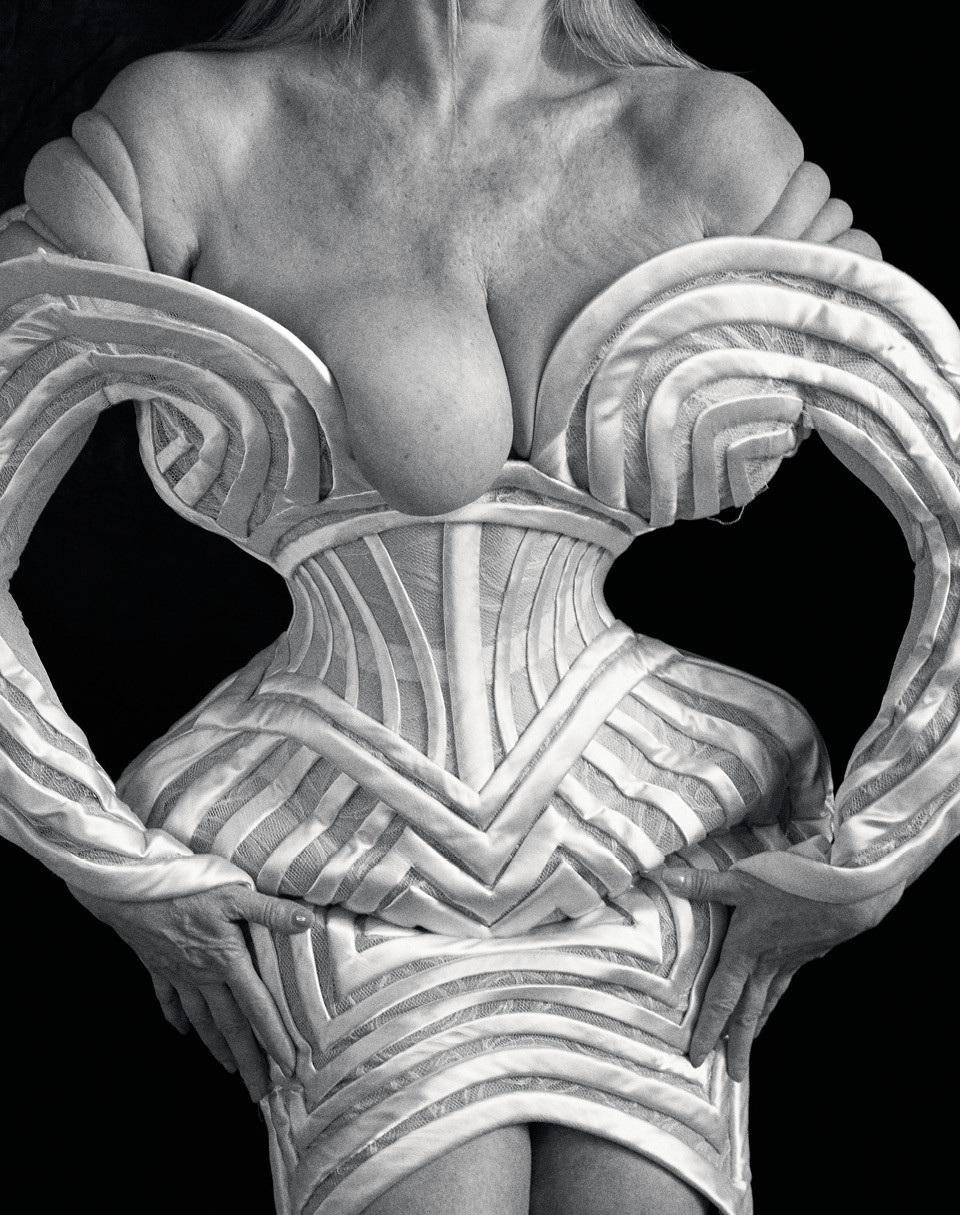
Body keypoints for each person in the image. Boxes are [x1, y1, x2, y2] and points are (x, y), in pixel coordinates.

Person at [0, 2, 957, 1212]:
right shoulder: (188, 132)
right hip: (322, 855)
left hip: (645, 842)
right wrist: (110, 864)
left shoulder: (705, 140)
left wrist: (874, 852)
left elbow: (944, 464)